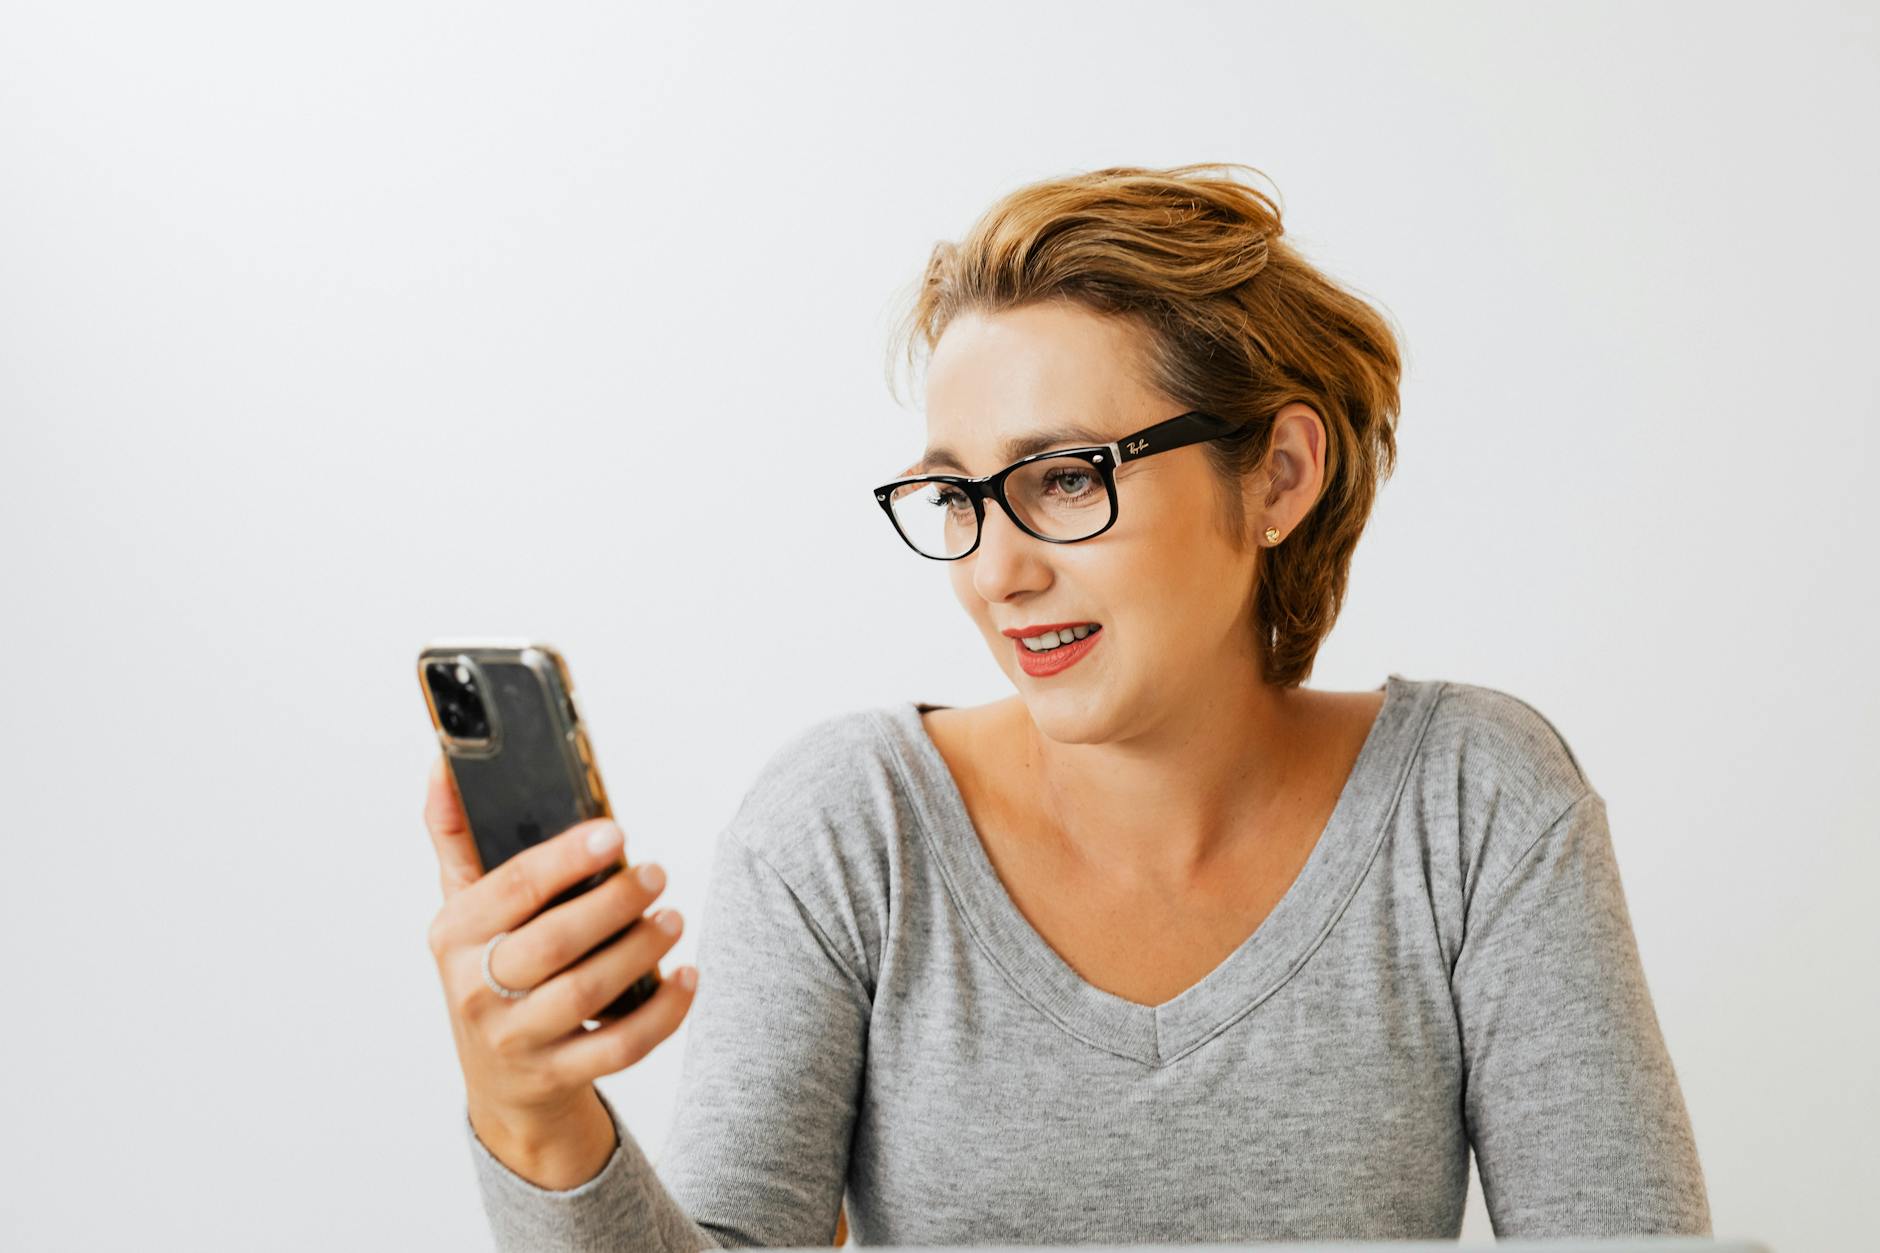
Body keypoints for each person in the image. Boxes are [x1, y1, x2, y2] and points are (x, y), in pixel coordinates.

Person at [422, 163, 1712, 1251]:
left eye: (1060, 476)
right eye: (958, 497)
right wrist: (536, 1118)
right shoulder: (850, 828)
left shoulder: (1474, 805)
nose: (995, 568)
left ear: (1278, 472)